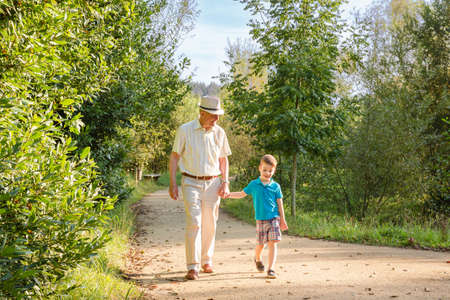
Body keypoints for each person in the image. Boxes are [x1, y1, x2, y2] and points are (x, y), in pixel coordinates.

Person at [169, 95, 232, 280]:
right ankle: (193, 266)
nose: (217, 119)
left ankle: (206, 260)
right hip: (190, 182)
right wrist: (173, 183)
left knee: (210, 224)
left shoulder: (219, 132)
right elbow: (174, 157)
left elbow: (223, 159)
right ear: (202, 113)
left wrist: (225, 182)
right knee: (194, 222)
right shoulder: (185, 130)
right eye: (213, 115)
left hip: (213, 183)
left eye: (218, 115)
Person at [226, 154, 288, 279]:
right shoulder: (254, 184)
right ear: (260, 168)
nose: (267, 173)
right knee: (260, 244)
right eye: (265, 169)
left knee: (273, 243)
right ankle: (257, 258)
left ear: (274, 170)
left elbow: (280, 203)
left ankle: (271, 269)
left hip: (274, 218)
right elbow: (242, 194)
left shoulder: (276, 186)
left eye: (270, 170)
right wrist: (228, 195)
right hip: (260, 219)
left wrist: (282, 220)